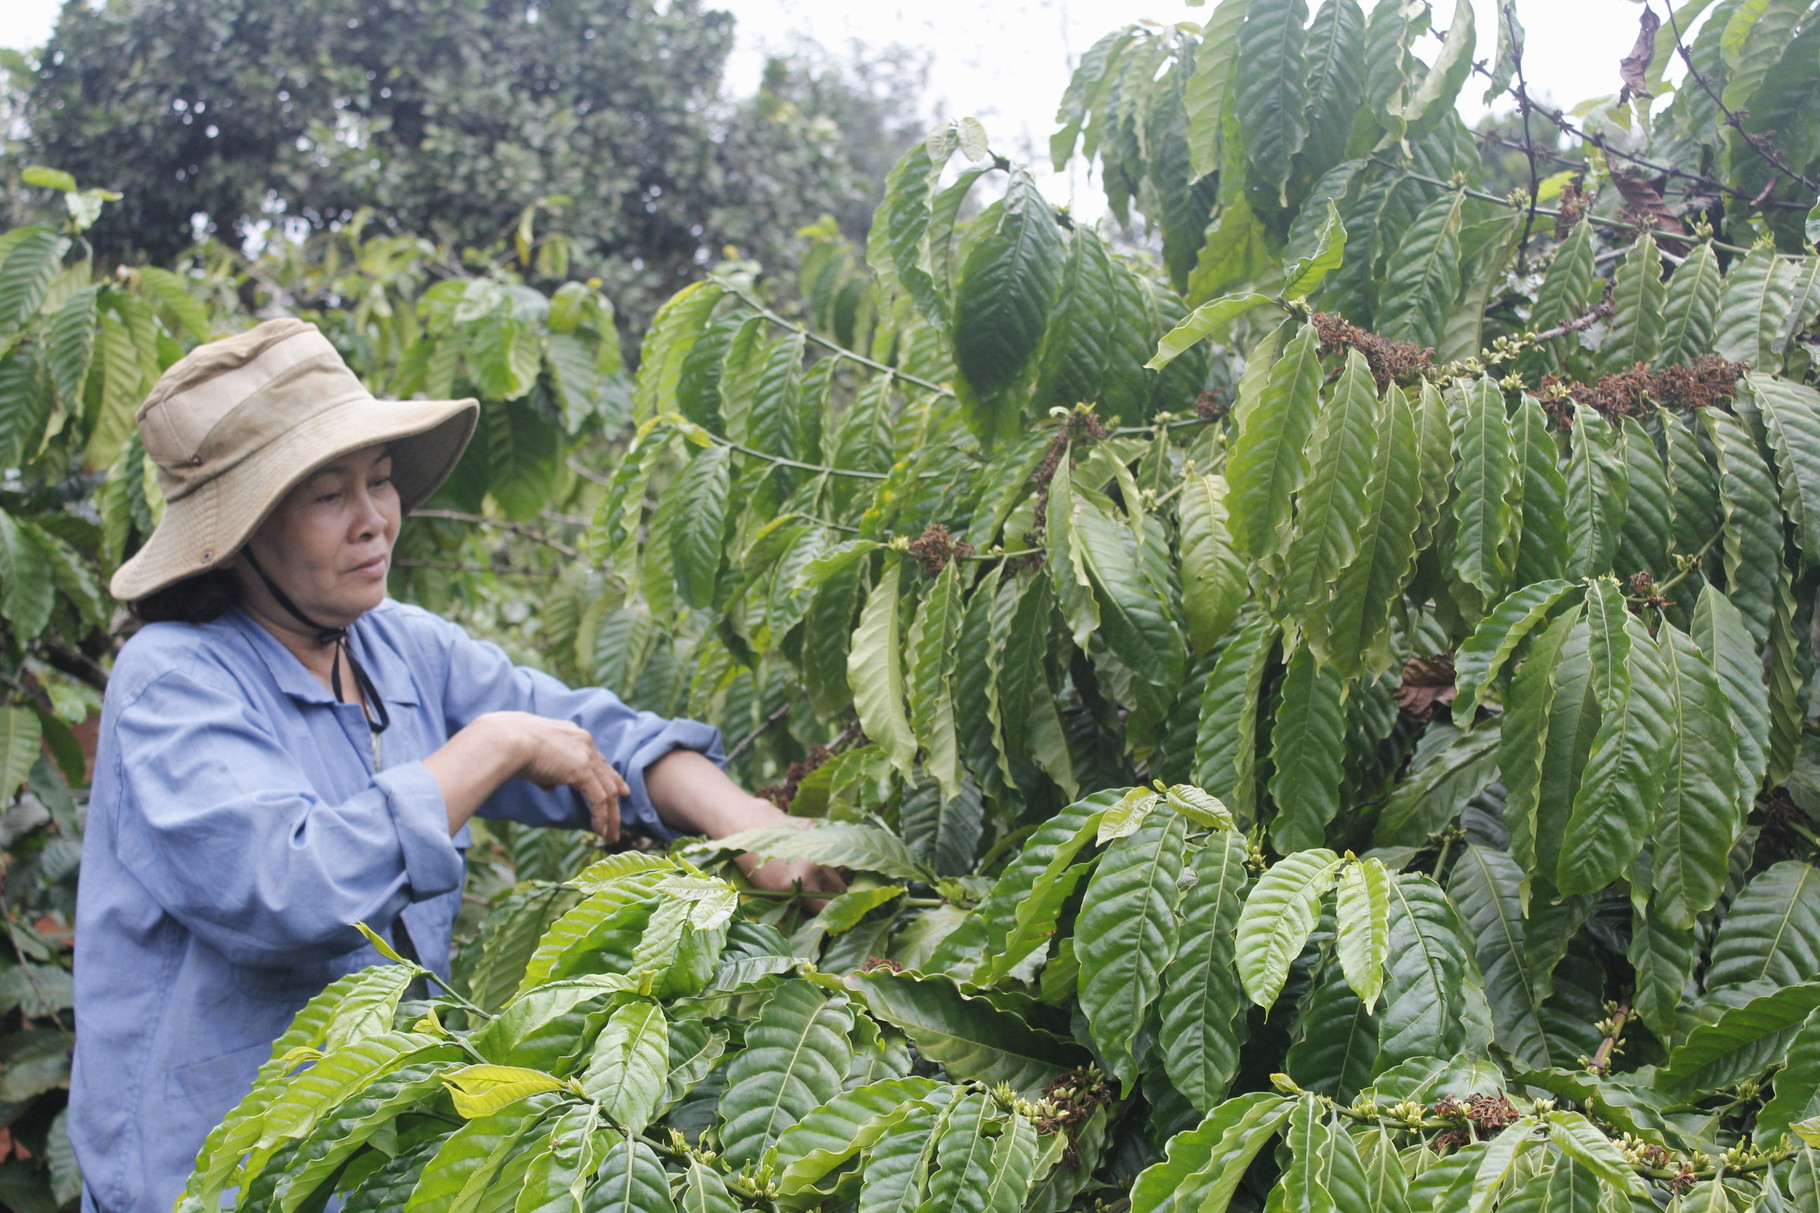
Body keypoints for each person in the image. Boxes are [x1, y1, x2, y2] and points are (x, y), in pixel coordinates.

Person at [67, 318, 837, 1213]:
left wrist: (748, 822)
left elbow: (589, 732)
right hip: (207, 1175)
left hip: (373, 1161)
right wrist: (493, 746)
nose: (374, 521)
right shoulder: (174, 678)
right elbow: (286, 886)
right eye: (327, 495)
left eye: (382, 482)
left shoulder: (394, 647)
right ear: (241, 533)